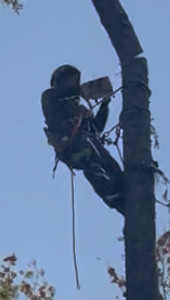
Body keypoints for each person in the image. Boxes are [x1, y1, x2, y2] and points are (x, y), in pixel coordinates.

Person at [40, 64, 125, 215]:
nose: (76, 86)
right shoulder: (50, 97)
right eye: (72, 82)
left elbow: (96, 128)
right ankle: (113, 196)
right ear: (61, 81)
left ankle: (124, 193)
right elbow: (59, 97)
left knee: (110, 166)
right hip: (71, 148)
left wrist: (105, 104)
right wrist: (82, 93)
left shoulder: (77, 106)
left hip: (88, 145)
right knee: (91, 164)